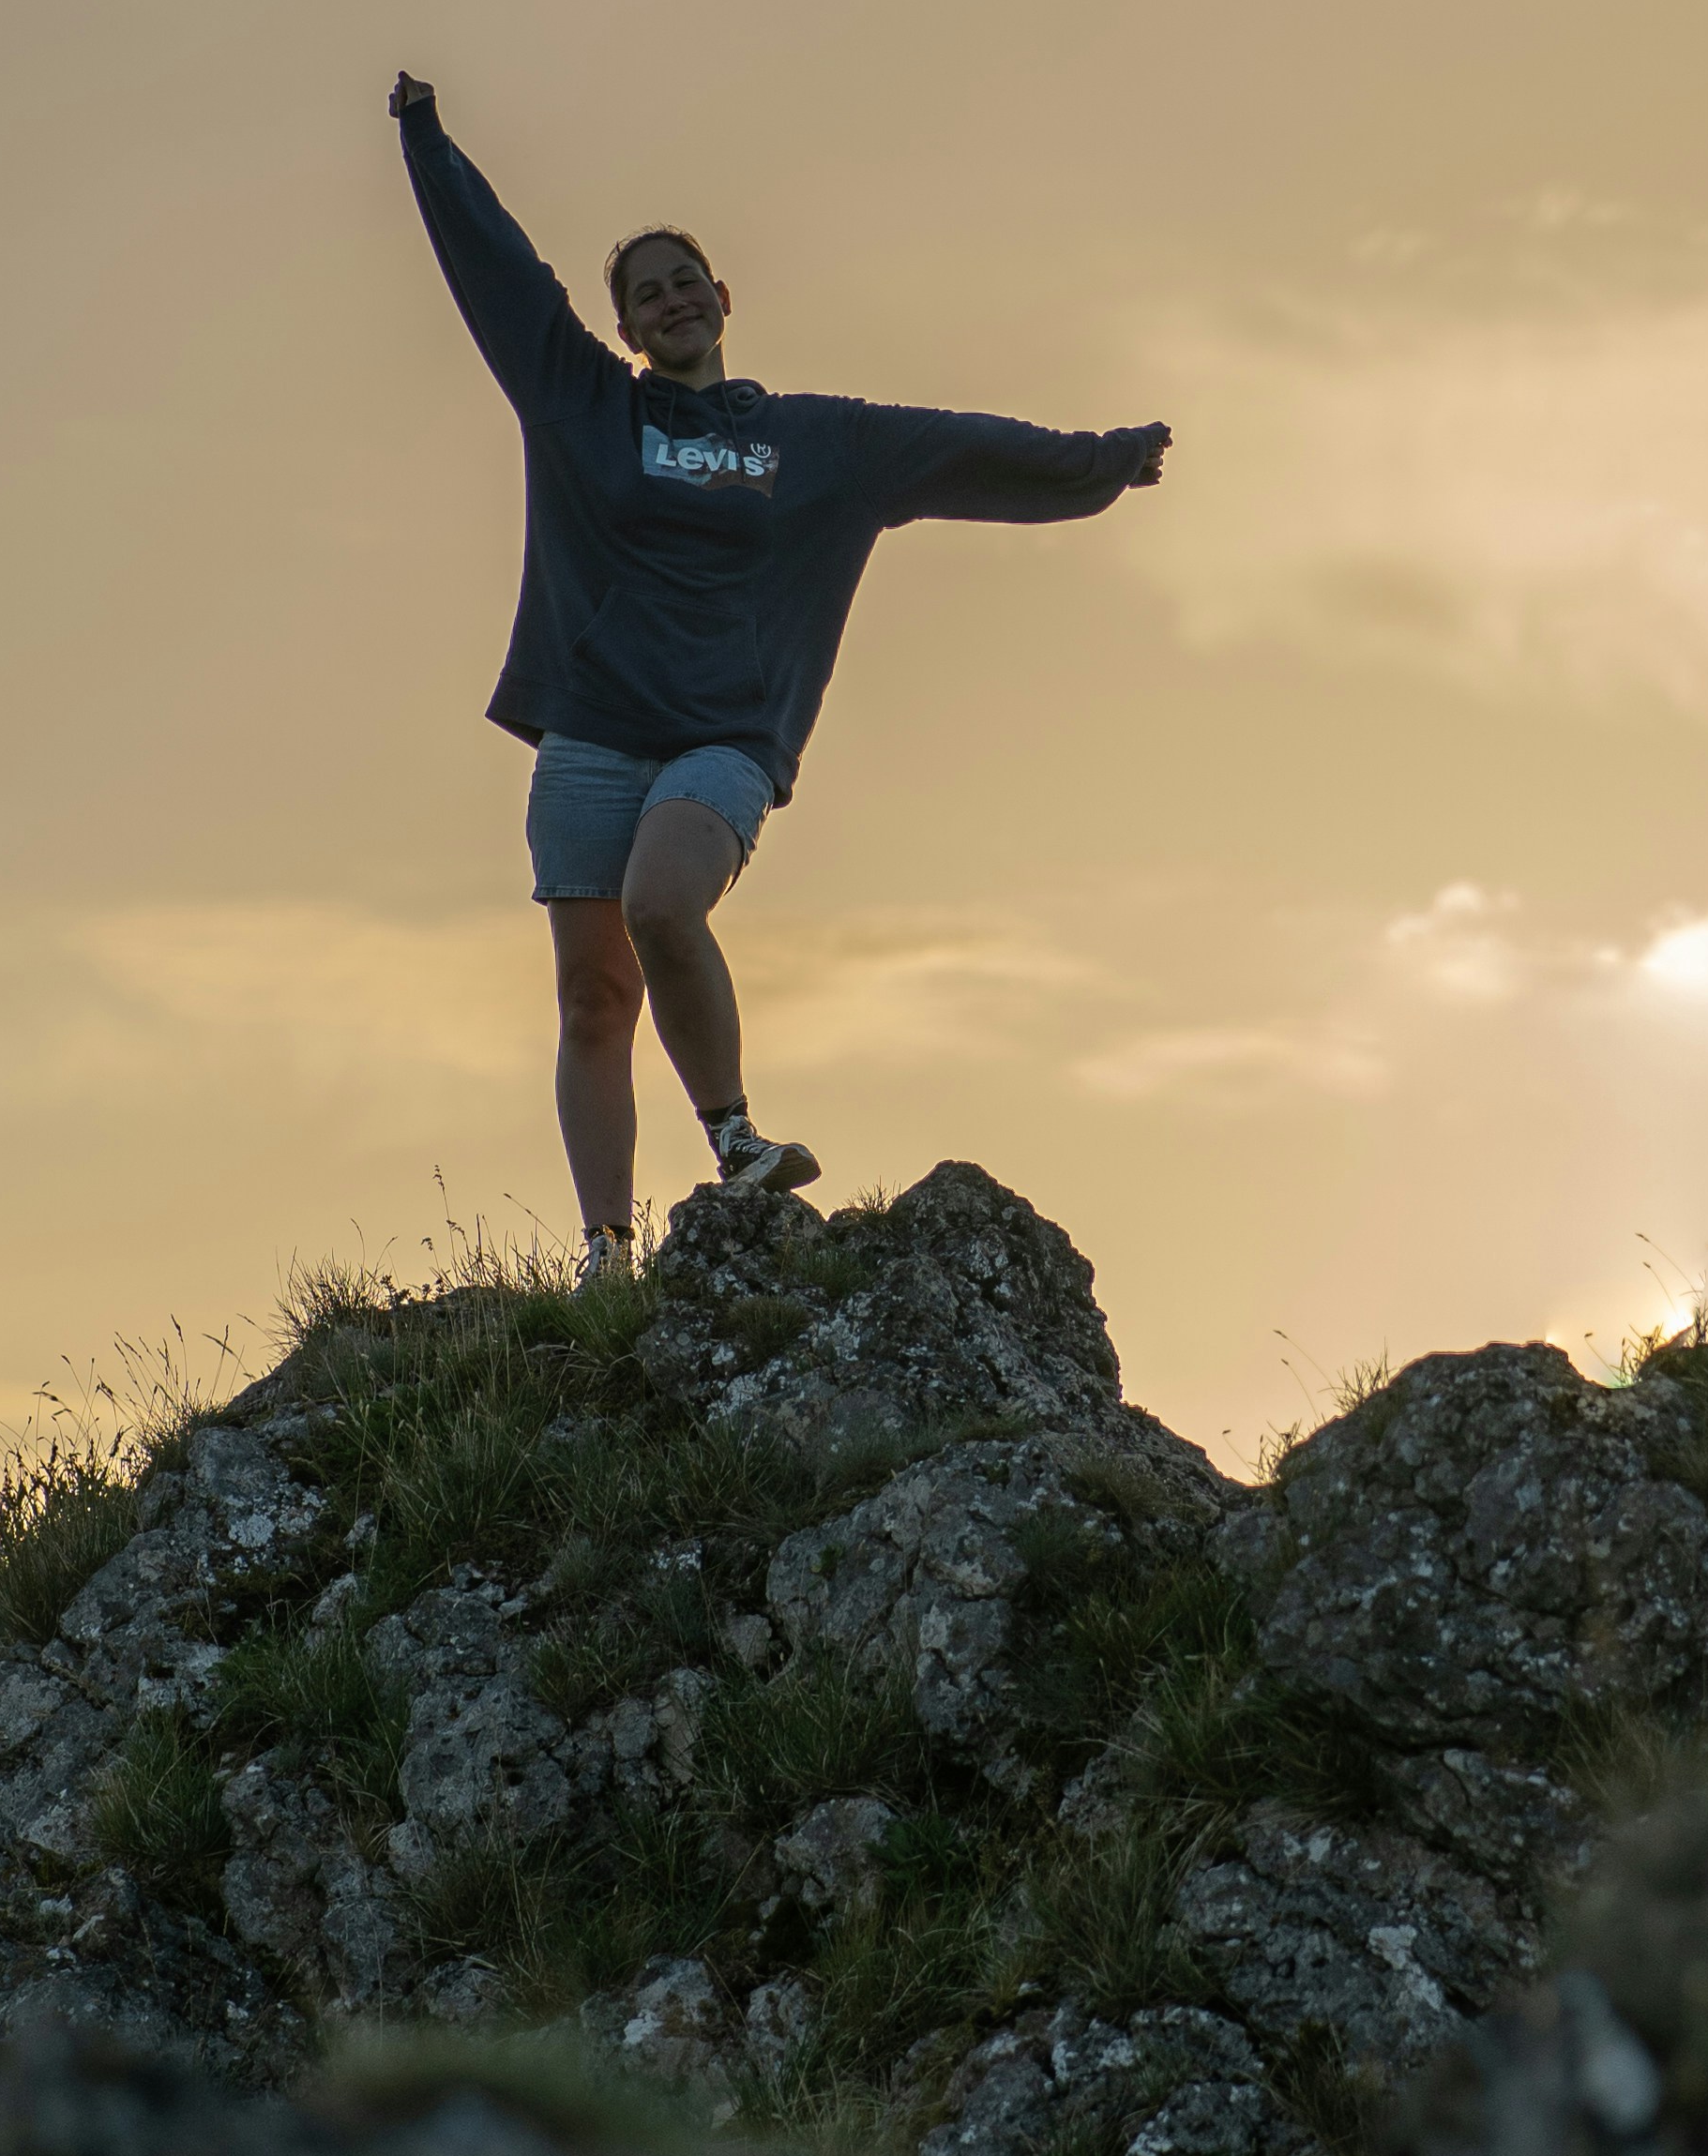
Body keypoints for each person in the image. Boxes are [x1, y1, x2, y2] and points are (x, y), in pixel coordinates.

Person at [390, 75, 1170, 1271]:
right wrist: (429, 143)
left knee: (662, 904)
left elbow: (964, 448)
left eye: (686, 280)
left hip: (725, 738)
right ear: (627, 330)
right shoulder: (582, 406)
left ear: (724, 300)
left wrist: (1101, 462)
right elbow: (501, 276)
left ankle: (736, 1138)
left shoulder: (816, 442)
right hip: (593, 732)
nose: (671, 299)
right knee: (594, 1002)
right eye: (646, 294)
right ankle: (605, 1252)